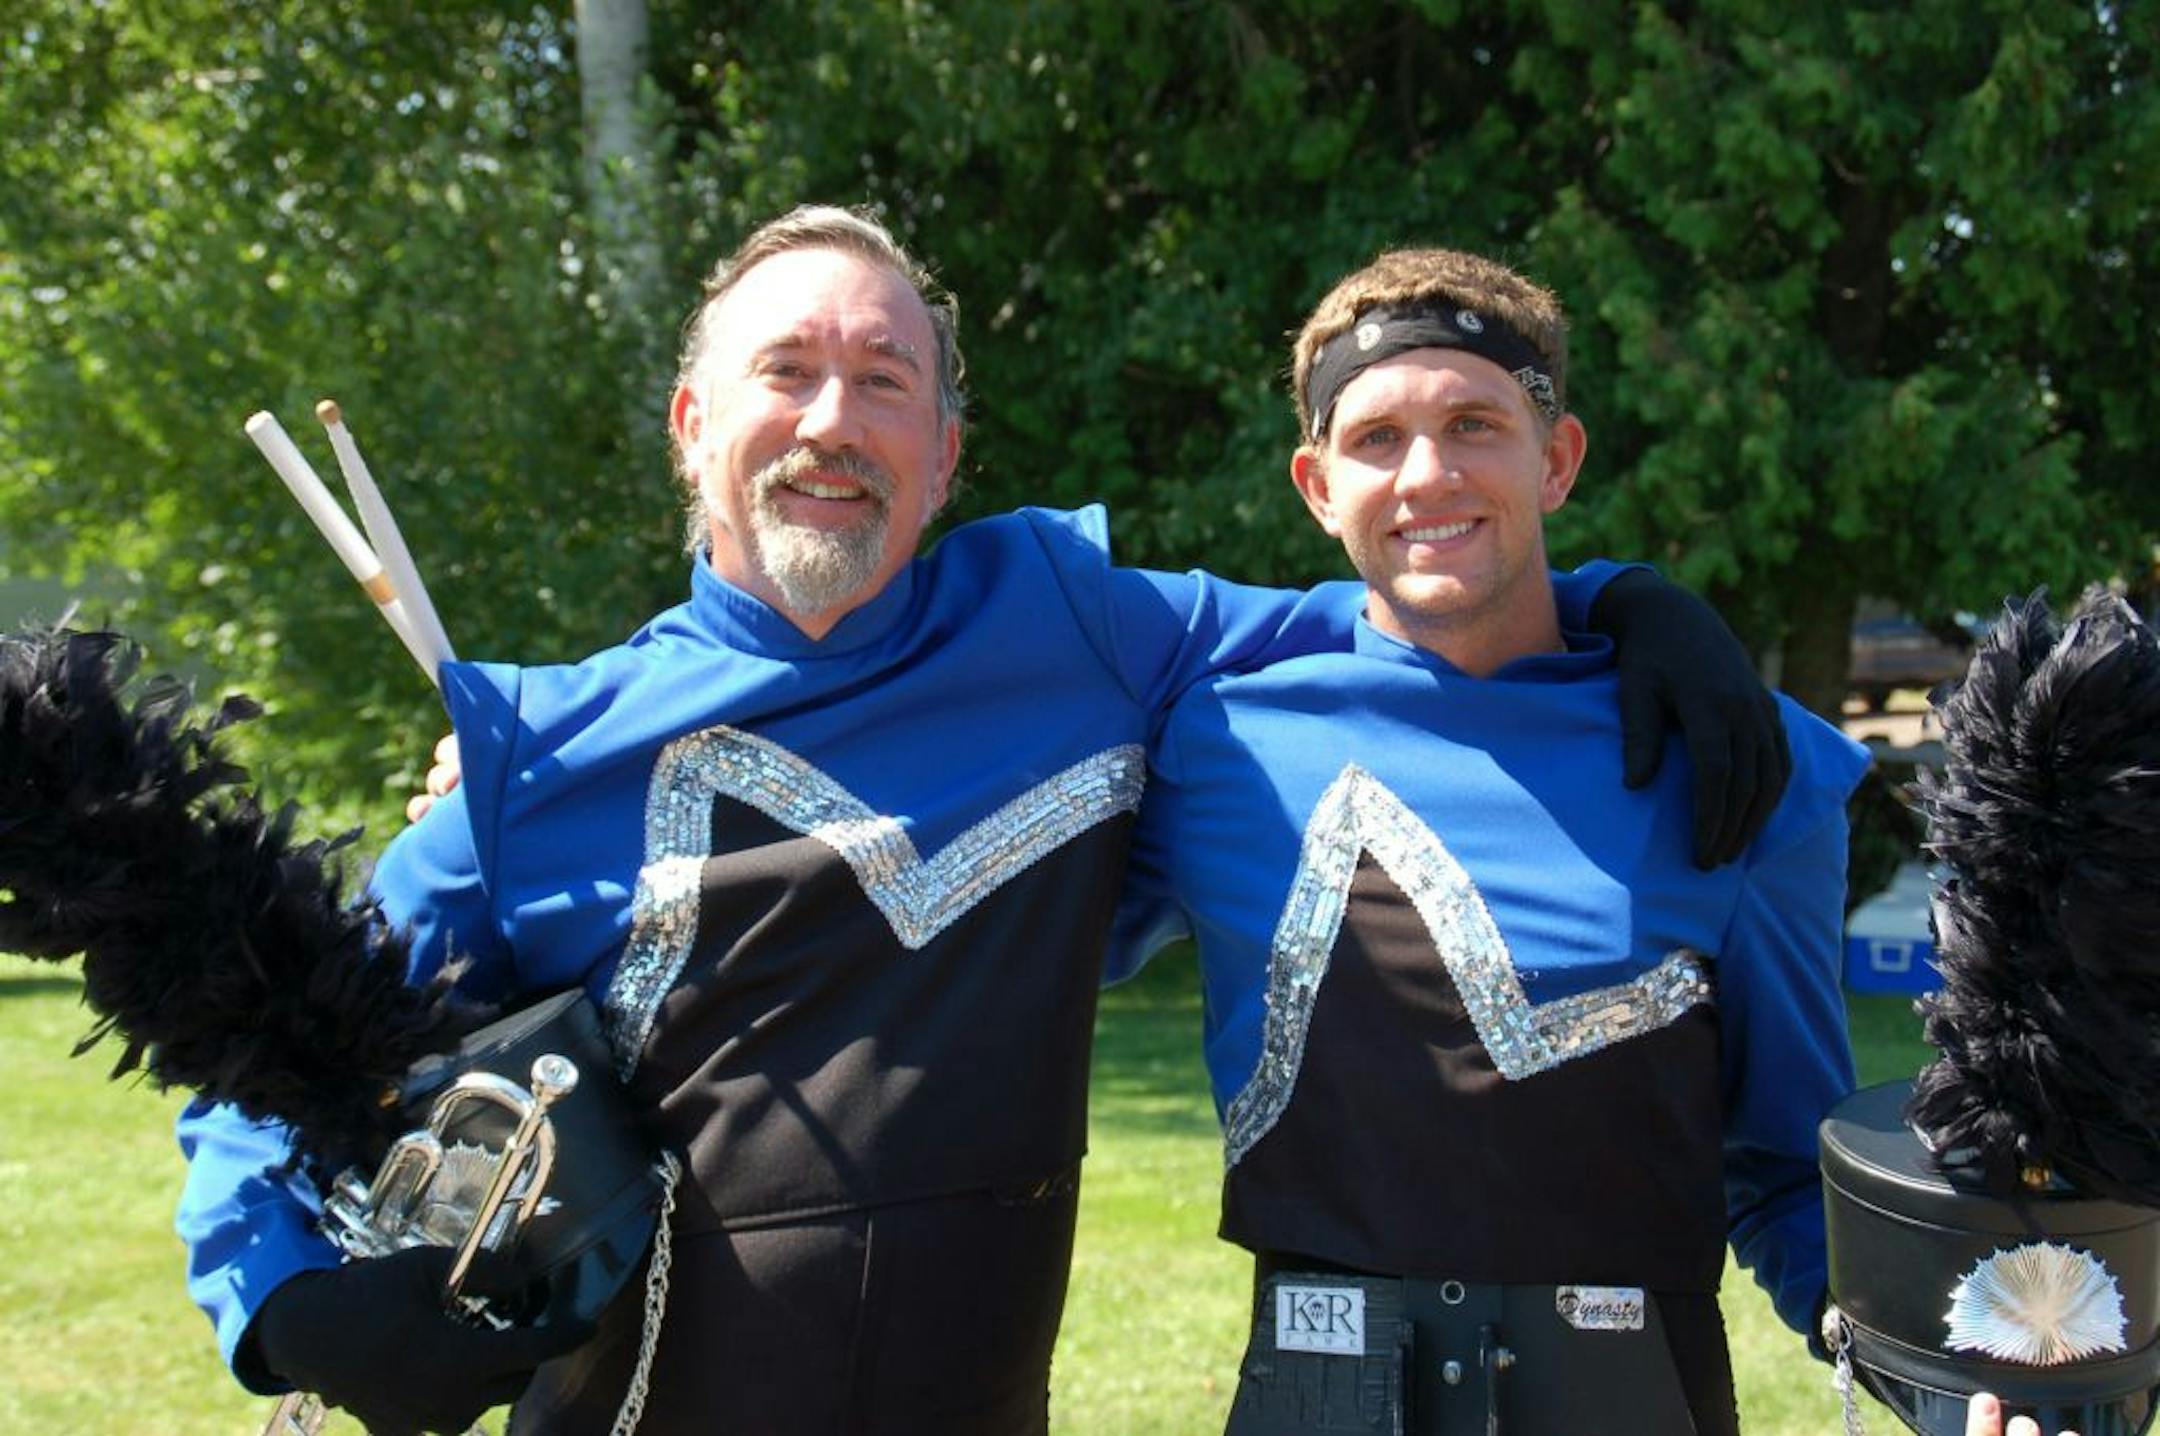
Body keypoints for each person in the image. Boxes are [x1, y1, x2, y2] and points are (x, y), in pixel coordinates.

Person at [175, 207, 1785, 1436]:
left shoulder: (1081, 626)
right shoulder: (538, 747)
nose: (832, 421)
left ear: (944, 452)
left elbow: (1413, 585)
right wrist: (285, 1304)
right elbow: (269, 1029)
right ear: (688, 421)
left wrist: (1621, 601)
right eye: (786, 373)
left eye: (885, 382)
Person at [1118, 247, 1869, 1435]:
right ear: (1315, 485)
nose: (1428, 473)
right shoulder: (1213, 739)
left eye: (1476, 423)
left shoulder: (1734, 756)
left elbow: (1786, 1163)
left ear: (1556, 459)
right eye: (1376, 439)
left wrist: (1931, 1345)